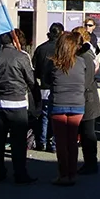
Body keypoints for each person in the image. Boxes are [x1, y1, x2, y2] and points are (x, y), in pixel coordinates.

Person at [0, 32, 37, 185]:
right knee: (18, 142)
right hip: (17, 104)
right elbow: (31, 81)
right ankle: (20, 173)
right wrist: (36, 102)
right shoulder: (21, 57)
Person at [48, 32, 86, 186]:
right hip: (77, 104)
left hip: (58, 103)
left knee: (61, 143)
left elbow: (45, 79)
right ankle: (72, 173)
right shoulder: (82, 62)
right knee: (72, 141)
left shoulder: (53, 63)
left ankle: (63, 174)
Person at [71, 27, 100, 175]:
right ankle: (89, 162)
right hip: (87, 96)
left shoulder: (86, 56)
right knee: (85, 132)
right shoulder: (86, 54)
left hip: (87, 98)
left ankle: (91, 162)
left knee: (88, 132)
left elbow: (87, 79)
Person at [32, 22, 64, 153]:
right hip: (58, 86)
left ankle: (42, 141)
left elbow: (35, 69)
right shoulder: (62, 49)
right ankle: (54, 144)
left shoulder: (41, 48)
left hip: (44, 86)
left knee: (45, 115)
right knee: (57, 116)